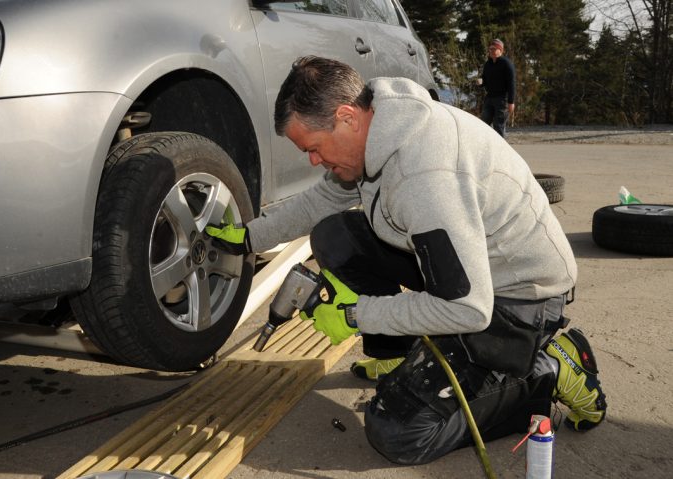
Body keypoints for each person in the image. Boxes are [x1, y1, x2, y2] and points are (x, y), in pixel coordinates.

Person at [206, 56, 606, 465]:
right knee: (335, 235)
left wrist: (357, 315)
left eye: (312, 148)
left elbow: (466, 307)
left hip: (516, 296)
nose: (312, 160)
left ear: (346, 117)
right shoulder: (380, 127)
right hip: (465, 264)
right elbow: (323, 200)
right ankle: (405, 353)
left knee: (398, 432)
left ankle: (544, 371)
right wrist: (250, 237)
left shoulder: (424, 177)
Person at [479, 38, 516, 137]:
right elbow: (484, 80)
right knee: (484, 122)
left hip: (502, 99)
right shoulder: (488, 64)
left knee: (498, 125)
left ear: (501, 50)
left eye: (494, 49)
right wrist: (481, 82)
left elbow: (511, 84)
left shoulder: (507, 64)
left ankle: (501, 150)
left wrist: (511, 102)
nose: (491, 51)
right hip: (489, 98)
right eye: (490, 49)